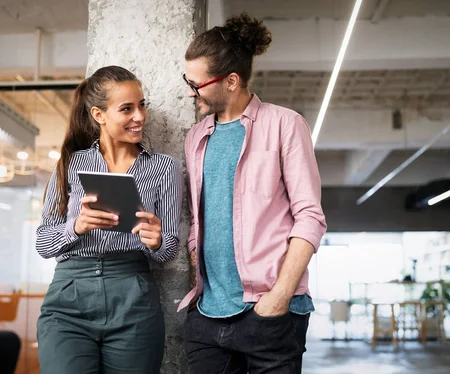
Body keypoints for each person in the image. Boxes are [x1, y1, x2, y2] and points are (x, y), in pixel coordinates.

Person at [178, 13, 327, 374]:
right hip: (207, 314)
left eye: (197, 83)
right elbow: (201, 219)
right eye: (188, 80)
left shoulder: (284, 124)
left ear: (231, 81)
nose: (189, 90)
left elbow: (310, 217)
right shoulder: (196, 137)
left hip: (270, 313)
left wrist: (279, 296)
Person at [36, 65, 182, 374]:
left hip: (133, 297)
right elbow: (43, 242)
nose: (139, 116)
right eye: (127, 109)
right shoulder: (71, 163)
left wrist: (157, 240)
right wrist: (75, 226)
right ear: (99, 115)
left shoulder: (164, 168)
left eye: (142, 105)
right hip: (69, 299)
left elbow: (169, 248)